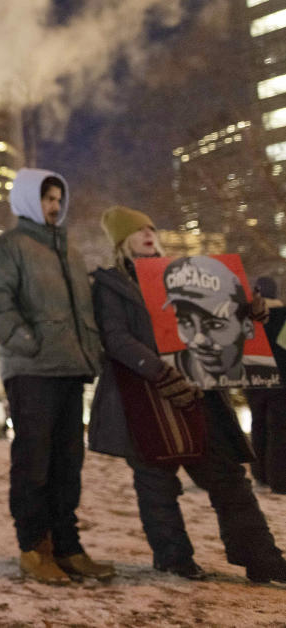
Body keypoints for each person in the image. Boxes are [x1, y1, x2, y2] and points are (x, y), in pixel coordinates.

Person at [88, 206, 286, 583]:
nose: (148, 233)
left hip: (201, 392)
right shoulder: (111, 284)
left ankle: (261, 557)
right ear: (121, 240)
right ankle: (173, 557)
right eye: (137, 230)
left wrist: (251, 313)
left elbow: (223, 319)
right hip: (144, 395)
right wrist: (160, 371)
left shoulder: (187, 274)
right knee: (157, 481)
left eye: (151, 227)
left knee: (228, 477)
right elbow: (115, 338)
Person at [0, 169, 112, 584]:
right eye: (46, 198)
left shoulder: (69, 250)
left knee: (69, 464)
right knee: (34, 462)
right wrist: (26, 340)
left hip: (71, 366)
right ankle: (34, 548)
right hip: (32, 370)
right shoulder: (11, 245)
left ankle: (67, 547)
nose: (54, 206)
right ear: (28, 201)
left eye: (57, 198)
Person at [161, 255, 276, 389]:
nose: (199, 339)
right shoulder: (165, 371)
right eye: (186, 322)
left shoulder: (266, 371)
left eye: (215, 324)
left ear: (247, 327)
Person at [248, 276, 286, 494]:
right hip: (280, 380)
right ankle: (280, 480)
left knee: (258, 424)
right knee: (279, 430)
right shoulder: (282, 315)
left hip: (254, 377)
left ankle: (259, 473)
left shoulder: (249, 317)